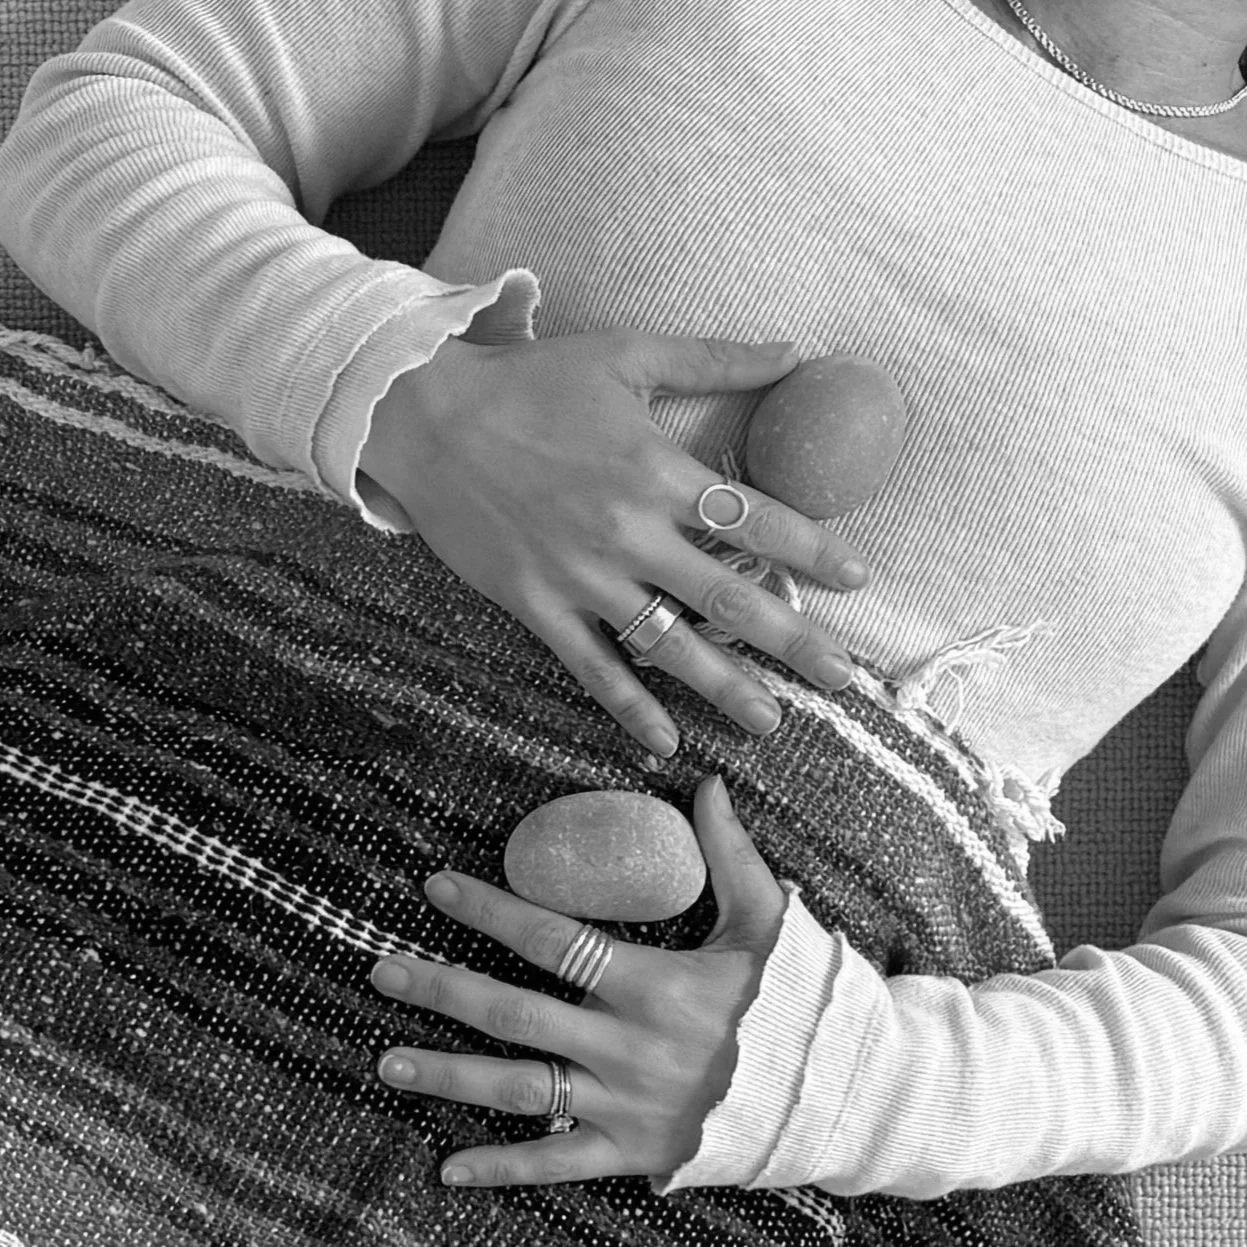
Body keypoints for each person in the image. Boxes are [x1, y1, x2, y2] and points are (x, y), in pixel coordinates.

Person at [1, 0, 1246, 1205]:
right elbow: (104, 118)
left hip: (649, 1131)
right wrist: (417, 396)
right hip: (164, 749)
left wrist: (848, 1082)